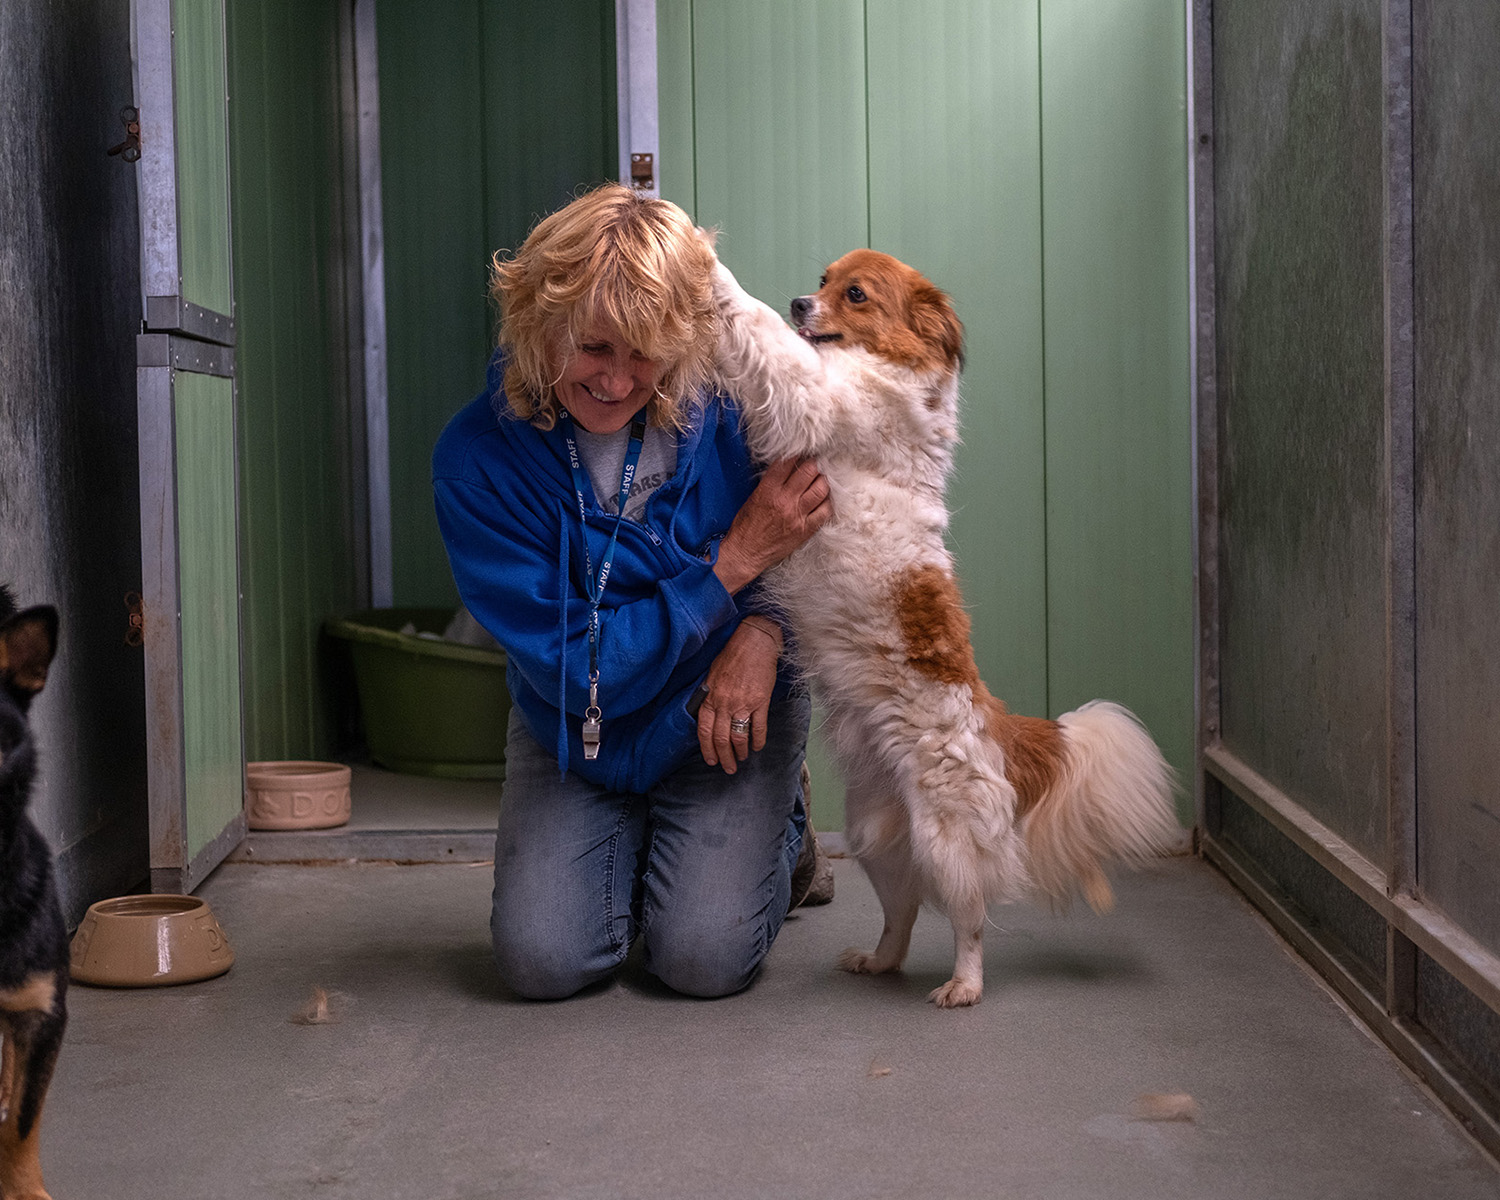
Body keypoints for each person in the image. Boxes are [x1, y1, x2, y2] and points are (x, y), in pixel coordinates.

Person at [432, 183, 833, 1000]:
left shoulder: (732, 403)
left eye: (645, 354)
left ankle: (780, 828)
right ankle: (659, 838)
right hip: (579, 722)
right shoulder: (475, 461)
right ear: (539, 327)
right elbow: (581, 670)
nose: (617, 381)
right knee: (543, 964)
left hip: (724, 706)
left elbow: (814, 536)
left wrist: (762, 634)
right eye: (593, 347)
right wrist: (730, 565)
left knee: (700, 962)